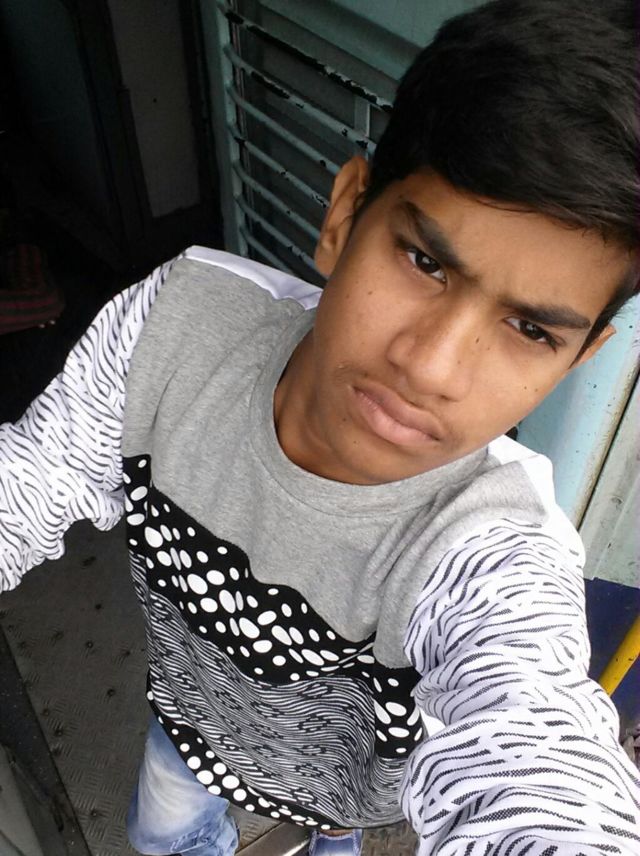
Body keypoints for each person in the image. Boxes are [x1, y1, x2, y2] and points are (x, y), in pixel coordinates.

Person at [1, 0, 639, 853]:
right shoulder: (172, 329)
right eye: (424, 261)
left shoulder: (494, 546)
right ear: (345, 216)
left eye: (530, 329)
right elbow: (29, 480)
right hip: (189, 729)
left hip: (351, 791)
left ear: (579, 358)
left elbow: (530, 739)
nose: (432, 367)